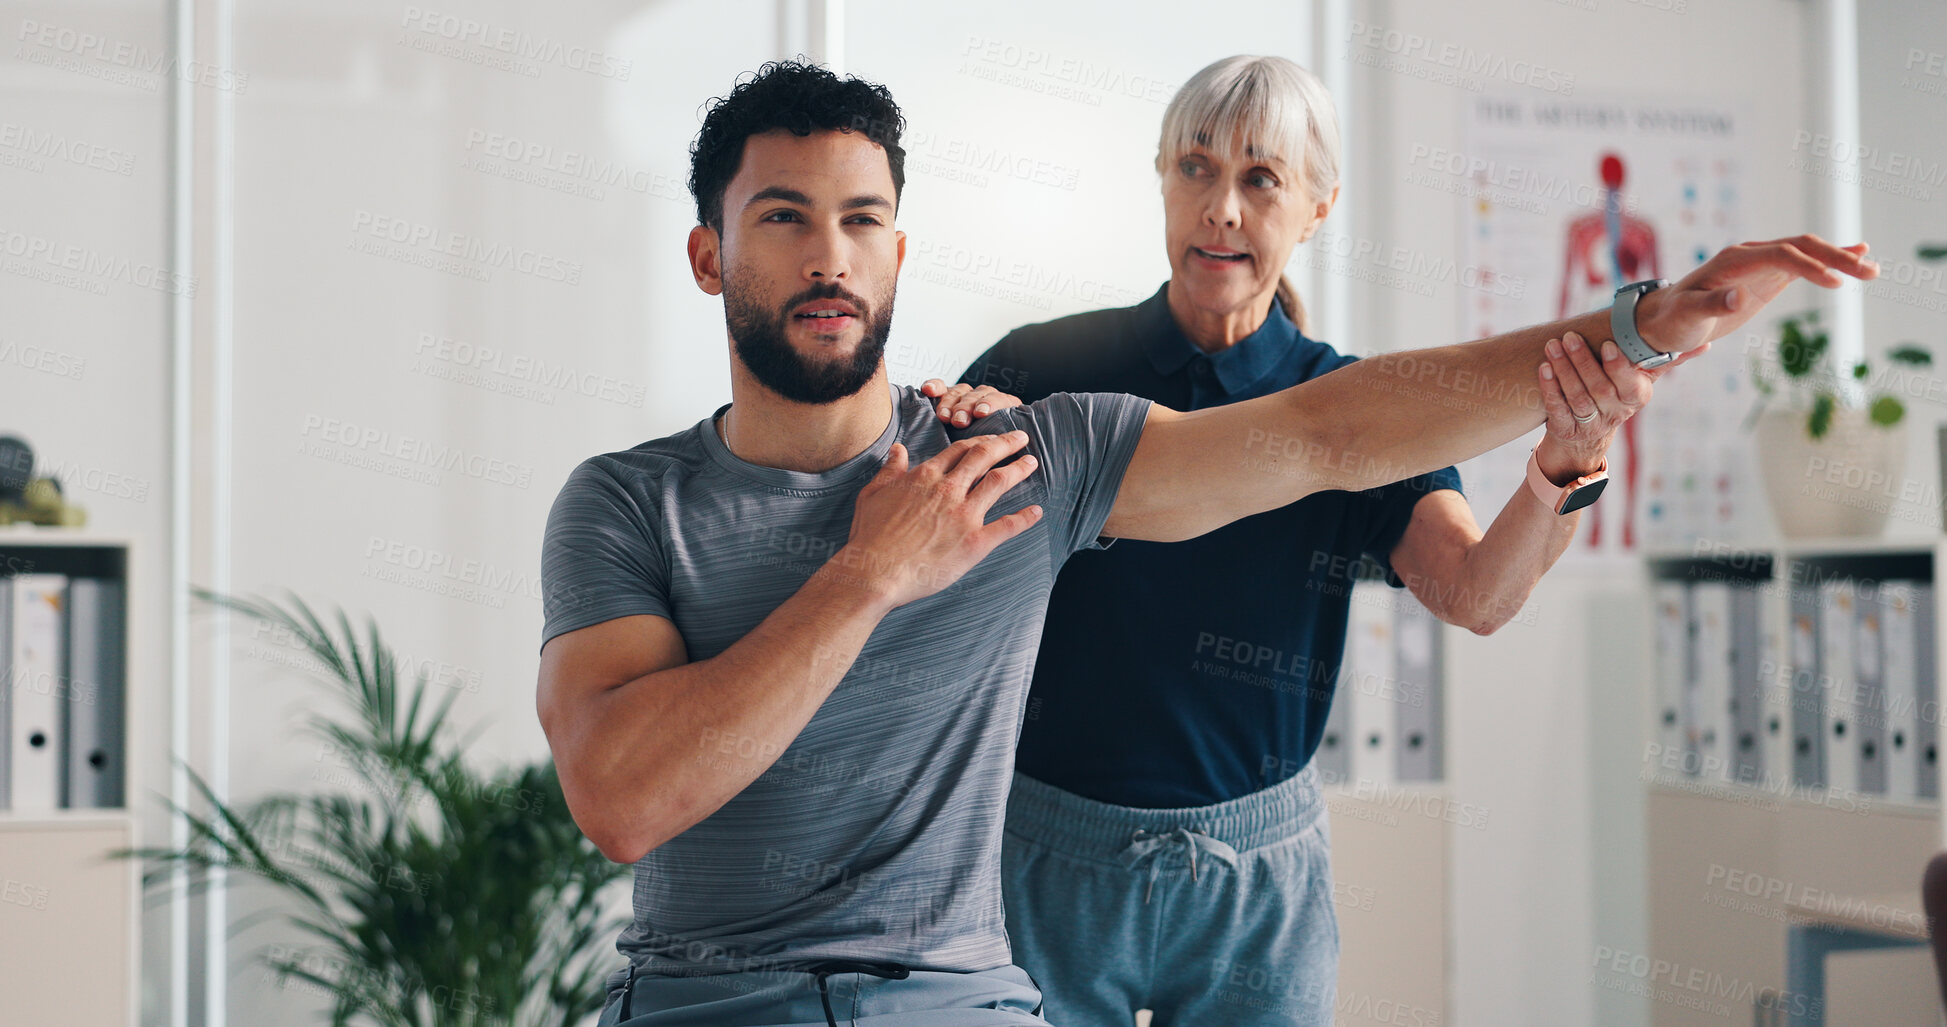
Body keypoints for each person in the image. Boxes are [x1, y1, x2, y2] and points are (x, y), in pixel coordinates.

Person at [533, 57, 1875, 1027]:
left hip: (1032, 961)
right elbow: (623, 796)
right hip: (804, 958)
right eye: (784, 218)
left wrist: (1633, 330)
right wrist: (870, 568)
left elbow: (1340, 439)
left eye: (860, 219)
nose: (829, 254)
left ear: (898, 254)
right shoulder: (645, 499)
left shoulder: (1029, 451)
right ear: (709, 255)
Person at [914, 54, 1668, 1025]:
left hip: (1259, 882)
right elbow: (928, 582)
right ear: (1160, 177)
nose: (1221, 206)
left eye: (1260, 178)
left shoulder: (1353, 409)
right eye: (1195, 168)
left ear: (1318, 206)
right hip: (1046, 851)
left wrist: (1570, 458)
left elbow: (1478, 592)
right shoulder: (1041, 364)